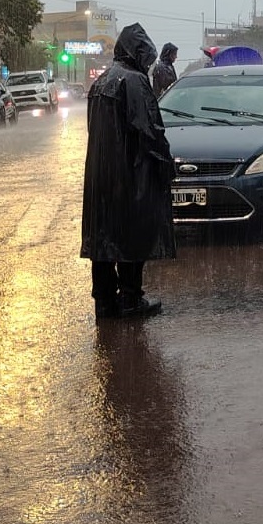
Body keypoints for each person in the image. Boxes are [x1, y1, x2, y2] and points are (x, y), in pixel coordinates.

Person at [82, 23, 175, 318]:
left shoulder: (101, 83)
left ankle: (105, 301)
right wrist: (165, 165)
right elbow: (150, 132)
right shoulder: (134, 82)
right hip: (131, 174)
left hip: (100, 176)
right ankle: (132, 298)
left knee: (103, 239)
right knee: (133, 237)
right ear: (138, 54)